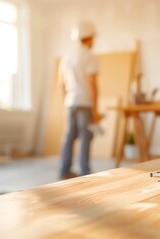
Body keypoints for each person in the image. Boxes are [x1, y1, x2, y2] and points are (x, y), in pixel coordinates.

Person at [58, 21, 100, 179]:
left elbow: (60, 84)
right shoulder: (89, 56)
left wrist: (66, 102)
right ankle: (84, 172)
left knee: (68, 136)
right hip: (84, 102)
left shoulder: (66, 57)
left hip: (70, 102)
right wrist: (95, 110)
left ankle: (64, 170)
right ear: (88, 37)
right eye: (93, 38)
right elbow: (93, 84)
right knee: (85, 136)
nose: (94, 41)